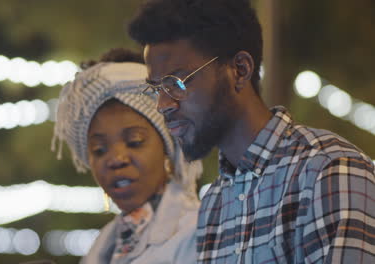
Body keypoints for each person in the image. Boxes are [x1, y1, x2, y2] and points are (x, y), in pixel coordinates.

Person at [128, 0, 375, 263]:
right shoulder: (214, 202)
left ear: (240, 70)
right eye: (156, 88)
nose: (163, 105)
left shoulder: (329, 170)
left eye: (176, 82)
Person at [51, 48, 202, 264]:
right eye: (99, 149)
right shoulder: (103, 244)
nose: (116, 159)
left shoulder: (197, 231)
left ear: (166, 147)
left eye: (135, 142)